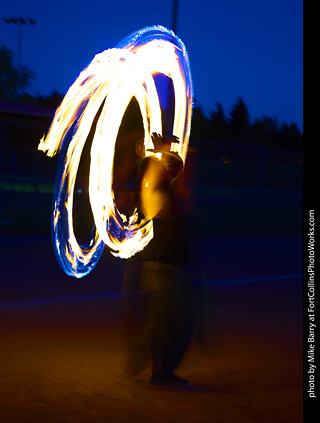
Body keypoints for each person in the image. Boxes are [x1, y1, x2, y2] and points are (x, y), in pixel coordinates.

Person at [121, 133, 196, 387]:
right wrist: (157, 151)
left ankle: (151, 365)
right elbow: (157, 169)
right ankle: (157, 370)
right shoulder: (152, 189)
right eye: (162, 166)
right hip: (163, 268)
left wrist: (157, 153)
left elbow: (178, 168)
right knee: (164, 322)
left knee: (171, 320)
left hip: (171, 266)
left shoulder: (164, 189)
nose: (167, 168)